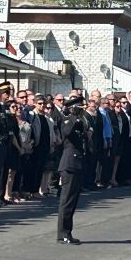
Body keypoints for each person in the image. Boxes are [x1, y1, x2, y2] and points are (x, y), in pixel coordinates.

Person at [57, 98, 86, 244]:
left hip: (77, 164)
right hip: (69, 164)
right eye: (79, 107)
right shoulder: (67, 120)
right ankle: (63, 234)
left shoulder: (79, 121)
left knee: (72, 201)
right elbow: (67, 132)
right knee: (66, 202)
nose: (82, 109)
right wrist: (74, 115)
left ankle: (66, 232)